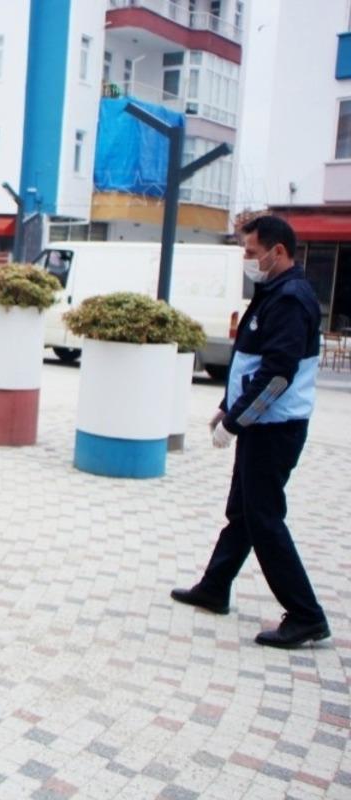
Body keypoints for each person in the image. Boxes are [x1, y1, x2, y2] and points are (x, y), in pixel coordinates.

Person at [171, 215, 329, 649]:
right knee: (243, 511)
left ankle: (306, 614)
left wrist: (236, 422)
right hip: (261, 424)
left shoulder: (291, 299)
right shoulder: (272, 292)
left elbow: (277, 376)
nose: (247, 260)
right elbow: (249, 362)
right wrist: (228, 407)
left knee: (263, 519)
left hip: (275, 429)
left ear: (278, 251)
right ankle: (215, 586)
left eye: (252, 252)